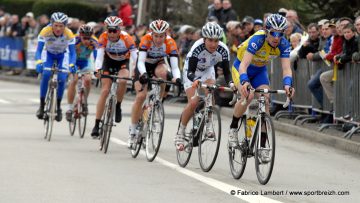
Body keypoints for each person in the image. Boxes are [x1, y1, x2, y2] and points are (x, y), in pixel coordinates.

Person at [228, 14, 295, 161]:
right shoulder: (257, 39)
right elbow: (243, 65)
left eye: (280, 34)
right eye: (273, 33)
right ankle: (233, 128)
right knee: (249, 95)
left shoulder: (283, 44)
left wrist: (288, 84)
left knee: (265, 101)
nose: (277, 37)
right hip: (241, 68)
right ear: (266, 31)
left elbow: (286, 68)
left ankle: (263, 146)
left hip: (259, 71)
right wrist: (245, 82)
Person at [175, 22, 233, 151]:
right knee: (194, 101)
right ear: (204, 39)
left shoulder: (223, 50)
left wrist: (232, 84)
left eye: (216, 41)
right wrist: (195, 80)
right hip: (192, 72)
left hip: (207, 70)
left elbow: (227, 72)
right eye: (210, 40)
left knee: (210, 92)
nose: (213, 44)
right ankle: (181, 132)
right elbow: (190, 71)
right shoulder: (197, 47)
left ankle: (208, 124)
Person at [128, 19, 181, 147]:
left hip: (158, 64)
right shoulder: (146, 39)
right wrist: (144, 74)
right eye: (156, 36)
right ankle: (133, 131)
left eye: (161, 36)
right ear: (151, 34)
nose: (158, 39)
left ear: (166, 34)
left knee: (164, 74)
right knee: (141, 96)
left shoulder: (170, 42)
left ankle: (159, 101)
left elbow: (174, 67)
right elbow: (140, 62)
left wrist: (177, 78)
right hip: (143, 65)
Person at [91, 16, 137, 138]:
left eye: (114, 30)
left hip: (122, 62)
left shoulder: (127, 38)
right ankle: (97, 124)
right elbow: (99, 57)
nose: (111, 33)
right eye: (109, 30)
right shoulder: (103, 37)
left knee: (123, 80)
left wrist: (137, 72)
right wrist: (97, 69)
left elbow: (135, 57)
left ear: (119, 30)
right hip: (108, 61)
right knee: (105, 90)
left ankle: (118, 106)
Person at [35, 12, 76, 122]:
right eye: (56, 25)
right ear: (51, 24)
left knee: (62, 79)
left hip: (63, 55)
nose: (58, 28)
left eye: (61, 26)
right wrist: (38, 62)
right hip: (48, 54)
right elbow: (38, 50)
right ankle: (42, 105)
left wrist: (72, 64)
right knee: (46, 74)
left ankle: (58, 108)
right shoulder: (45, 31)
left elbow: (73, 53)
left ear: (65, 26)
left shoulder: (69, 34)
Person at [66, 25, 98, 121]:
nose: (87, 41)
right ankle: (70, 108)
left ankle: (84, 101)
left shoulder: (94, 42)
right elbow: (69, 54)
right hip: (74, 61)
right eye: (84, 38)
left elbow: (97, 56)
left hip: (86, 62)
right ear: (80, 36)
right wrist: (71, 66)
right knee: (74, 80)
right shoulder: (74, 40)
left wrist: (98, 68)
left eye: (89, 38)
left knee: (88, 80)